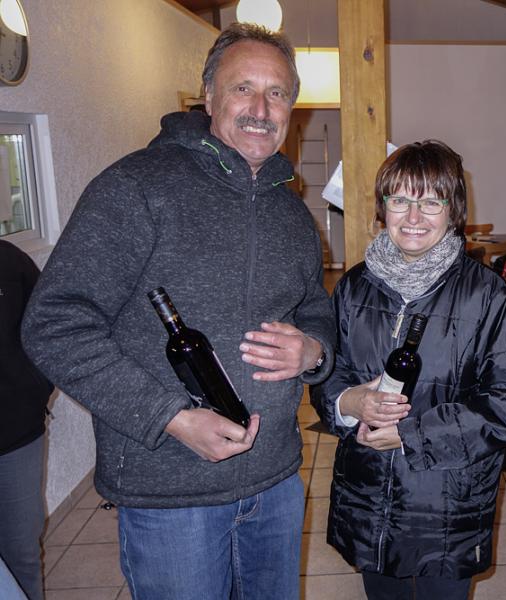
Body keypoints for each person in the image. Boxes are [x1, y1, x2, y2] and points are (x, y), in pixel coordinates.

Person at [21, 23, 335, 599]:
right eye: (243, 88)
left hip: (276, 482)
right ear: (209, 96)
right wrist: (171, 417)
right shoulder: (136, 186)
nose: (261, 109)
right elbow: (55, 324)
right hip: (171, 495)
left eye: (277, 93)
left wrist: (314, 350)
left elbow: (316, 310)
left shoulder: (293, 215)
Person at [312, 140, 506, 600]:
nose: (413, 216)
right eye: (400, 200)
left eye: (431, 201)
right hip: (368, 496)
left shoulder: (486, 296)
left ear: (453, 210)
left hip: (447, 505)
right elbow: (327, 369)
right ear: (383, 208)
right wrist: (348, 401)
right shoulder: (353, 287)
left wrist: (412, 435)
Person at [1, 240, 53, 600]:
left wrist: (34, 386)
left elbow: (48, 329)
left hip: (15, 438)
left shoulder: (8, 260)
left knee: (22, 554)